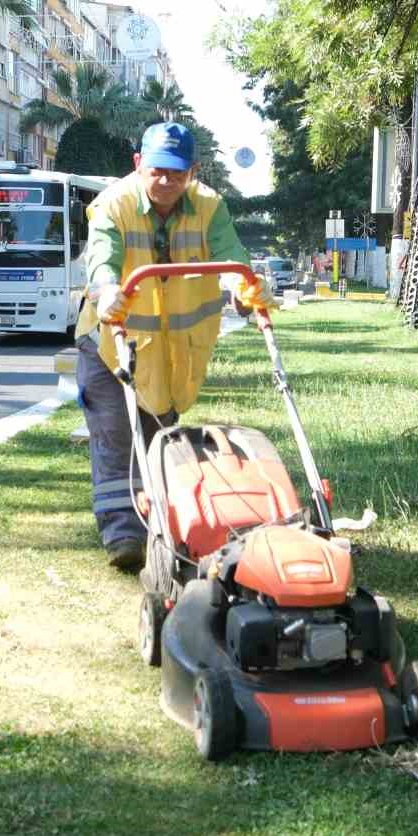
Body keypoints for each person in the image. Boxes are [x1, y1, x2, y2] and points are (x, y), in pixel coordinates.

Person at [73, 121, 268, 572]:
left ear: (192, 172)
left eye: (177, 174)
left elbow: (231, 255)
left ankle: (161, 519)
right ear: (138, 164)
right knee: (116, 434)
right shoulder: (113, 204)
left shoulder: (208, 207)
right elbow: (101, 256)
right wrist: (107, 290)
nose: (166, 182)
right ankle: (122, 532)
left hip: (171, 351)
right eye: (157, 171)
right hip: (109, 341)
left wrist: (245, 288)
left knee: (160, 437)